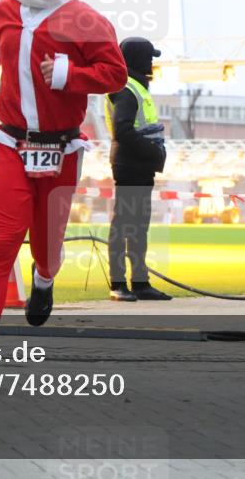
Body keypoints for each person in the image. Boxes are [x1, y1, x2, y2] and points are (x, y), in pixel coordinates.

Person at [0, 0, 127, 381]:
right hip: (12, 144)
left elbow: (115, 74)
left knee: (47, 244)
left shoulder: (86, 19)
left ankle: (45, 280)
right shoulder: (6, 9)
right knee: (1, 241)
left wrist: (69, 74)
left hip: (61, 147)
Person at [105, 38, 172, 302]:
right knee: (124, 226)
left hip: (139, 167)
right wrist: (152, 151)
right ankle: (119, 284)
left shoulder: (136, 87)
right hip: (130, 165)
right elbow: (123, 130)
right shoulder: (127, 89)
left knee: (138, 226)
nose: (152, 63)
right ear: (136, 60)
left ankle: (141, 283)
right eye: (149, 57)